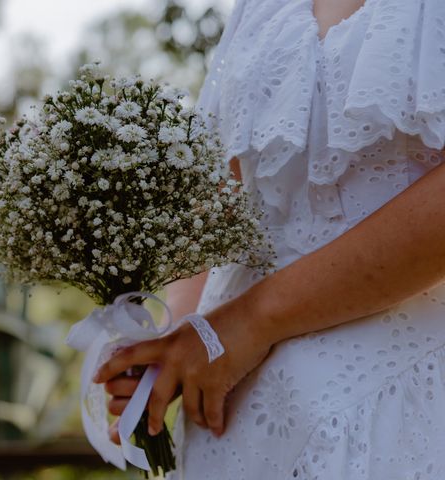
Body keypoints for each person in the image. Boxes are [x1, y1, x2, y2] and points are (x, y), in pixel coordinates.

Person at [93, 0, 445, 478]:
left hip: (400, 415)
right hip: (232, 426)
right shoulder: (261, 8)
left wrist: (246, 324)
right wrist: (175, 338)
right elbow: (223, 191)